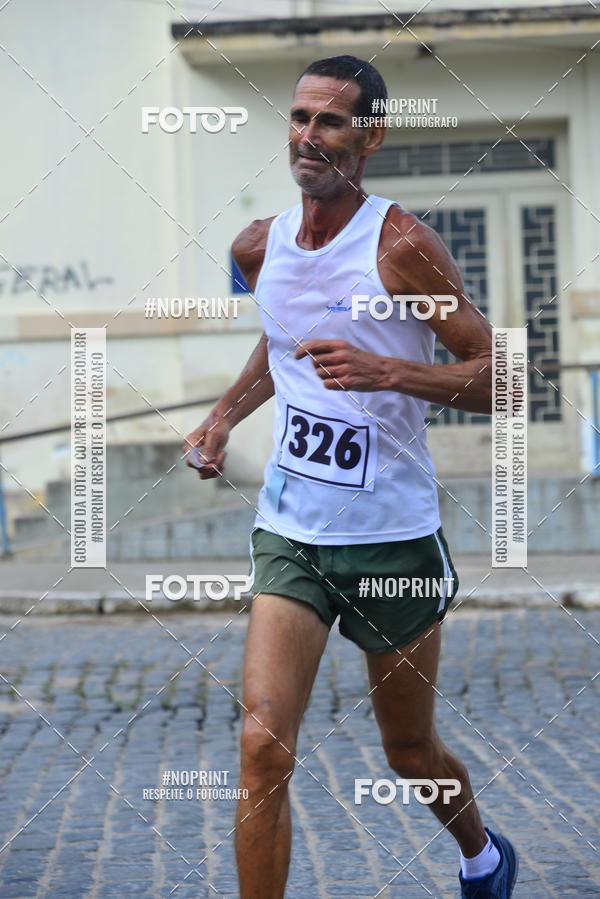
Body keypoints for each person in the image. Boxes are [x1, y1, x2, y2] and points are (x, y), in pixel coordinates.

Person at [184, 54, 518, 899]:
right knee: (263, 744)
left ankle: (482, 855)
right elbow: (280, 344)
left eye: (329, 122)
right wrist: (224, 415)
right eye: (299, 118)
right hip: (293, 534)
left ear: (369, 137)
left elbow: (502, 377)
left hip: (393, 544)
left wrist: (390, 371)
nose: (308, 136)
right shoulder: (258, 247)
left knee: (408, 752)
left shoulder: (402, 246)